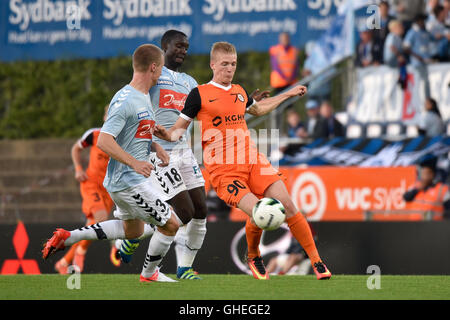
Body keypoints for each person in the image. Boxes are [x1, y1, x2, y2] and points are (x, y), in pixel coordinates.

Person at [154, 41, 332, 280]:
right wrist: (165, 135)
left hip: (252, 161)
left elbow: (257, 110)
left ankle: (317, 261)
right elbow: (178, 130)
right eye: (225, 64)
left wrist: (288, 93)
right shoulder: (199, 94)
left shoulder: (239, 91)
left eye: (234, 64)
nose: (230, 69)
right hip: (225, 172)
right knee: (260, 212)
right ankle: (253, 255)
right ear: (213, 64)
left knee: (287, 205)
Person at [42, 44, 180, 283]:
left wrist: (156, 146)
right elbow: (104, 141)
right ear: (154, 67)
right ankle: (149, 274)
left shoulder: (143, 96)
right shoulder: (126, 100)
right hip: (128, 181)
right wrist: (135, 163)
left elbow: (134, 136)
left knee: (133, 232)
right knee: (171, 224)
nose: (162, 76)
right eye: (161, 70)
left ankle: (68, 237)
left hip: (125, 181)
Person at [115, 30, 207, 280]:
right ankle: (138, 237)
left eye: (186, 47)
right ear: (165, 46)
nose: (183, 51)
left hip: (184, 152)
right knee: (184, 213)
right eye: (178, 45)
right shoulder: (155, 74)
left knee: (201, 210)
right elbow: (135, 102)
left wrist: (247, 104)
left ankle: (184, 267)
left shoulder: (190, 82)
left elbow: (208, 106)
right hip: (159, 153)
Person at [54, 106, 119, 274]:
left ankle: (65, 261)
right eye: (109, 114)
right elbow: (75, 148)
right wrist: (78, 168)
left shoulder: (123, 139)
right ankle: (81, 253)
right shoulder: (94, 134)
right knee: (101, 218)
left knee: (93, 224)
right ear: (105, 117)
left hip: (109, 189)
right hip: (91, 184)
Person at [404, 14, 435, 97]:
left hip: (427, 61)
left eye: (424, 21)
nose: (423, 22)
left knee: (431, 80)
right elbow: (406, 47)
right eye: (421, 21)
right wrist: (417, 57)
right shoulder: (412, 32)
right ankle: (426, 100)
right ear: (417, 22)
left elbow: (433, 40)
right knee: (424, 81)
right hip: (417, 63)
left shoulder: (426, 32)